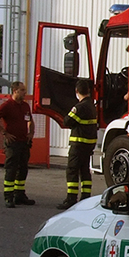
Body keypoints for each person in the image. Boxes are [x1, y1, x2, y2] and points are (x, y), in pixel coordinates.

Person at [0, 81, 35, 208]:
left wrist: (31, 133)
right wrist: (4, 132)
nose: (25, 92)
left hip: (24, 142)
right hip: (12, 143)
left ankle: (20, 195)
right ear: (15, 91)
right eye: (22, 90)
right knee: (11, 169)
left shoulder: (25, 106)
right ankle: (9, 196)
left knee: (23, 169)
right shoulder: (7, 105)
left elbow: (30, 120)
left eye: (24, 90)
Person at [57, 78, 98, 209]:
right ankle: (85, 197)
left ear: (77, 91)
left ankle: (71, 198)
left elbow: (67, 121)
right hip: (88, 144)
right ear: (89, 91)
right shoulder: (92, 105)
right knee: (85, 170)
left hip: (78, 144)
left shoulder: (79, 107)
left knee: (72, 170)